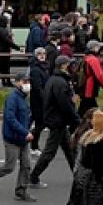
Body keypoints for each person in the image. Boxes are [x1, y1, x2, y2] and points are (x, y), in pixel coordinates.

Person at [0, 72, 36, 201]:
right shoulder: (13, 98)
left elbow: (25, 116)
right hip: (13, 139)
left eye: (28, 82)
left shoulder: (23, 98)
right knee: (9, 167)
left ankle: (21, 190)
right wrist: (25, 132)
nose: (27, 84)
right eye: (24, 82)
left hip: (23, 138)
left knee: (26, 165)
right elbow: (10, 118)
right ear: (17, 83)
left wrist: (29, 128)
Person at [29, 56, 78, 188]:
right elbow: (65, 103)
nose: (72, 67)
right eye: (69, 64)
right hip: (58, 121)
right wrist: (75, 118)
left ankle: (78, 175)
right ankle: (33, 177)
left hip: (56, 119)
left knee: (70, 149)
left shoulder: (54, 79)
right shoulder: (60, 83)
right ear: (63, 66)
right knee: (50, 152)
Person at [79, 40, 103, 116]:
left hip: (85, 88)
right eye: (98, 47)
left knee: (84, 109)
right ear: (94, 48)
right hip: (90, 89)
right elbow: (100, 76)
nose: (100, 48)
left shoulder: (86, 57)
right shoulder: (93, 59)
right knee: (91, 111)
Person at [29, 47, 50, 155]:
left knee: (41, 123)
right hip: (38, 101)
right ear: (36, 55)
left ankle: (33, 144)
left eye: (44, 53)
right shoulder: (35, 69)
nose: (42, 55)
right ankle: (33, 145)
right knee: (40, 124)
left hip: (43, 100)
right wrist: (46, 98)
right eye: (39, 54)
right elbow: (38, 87)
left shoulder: (45, 67)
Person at [0, 15, 19, 87]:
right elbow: (7, 41)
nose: (7, 23)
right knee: (3, 67)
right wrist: (16, 47)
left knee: (2, 67)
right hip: (4, 51)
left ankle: (5, 82)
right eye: (6, 21)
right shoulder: (3, 30)